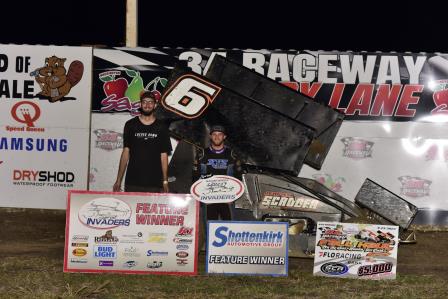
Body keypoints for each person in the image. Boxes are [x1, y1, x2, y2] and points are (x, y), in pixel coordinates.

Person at [113, 90, 172, 193]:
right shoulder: (130, 125)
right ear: (140, 104)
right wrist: (118, 180)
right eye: (144, 102)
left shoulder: (162, 127)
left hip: (155, 183)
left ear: (155, 105)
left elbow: (164, 156)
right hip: (133, 182)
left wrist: (165, 181)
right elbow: (126, 153)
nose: (147, 105)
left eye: (150, 102)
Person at [193, 125, 241, 220]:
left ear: (224, 137)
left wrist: (233, 197)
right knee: (209, 228)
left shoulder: (232, 155)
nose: (217, 137)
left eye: (220, 134)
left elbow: (238, 177)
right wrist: (202, 198)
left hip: (227, 198)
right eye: (214, 134)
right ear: (210, 136)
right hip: (208, 199)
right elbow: (195, 177)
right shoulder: (202, 154)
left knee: (228, 228)